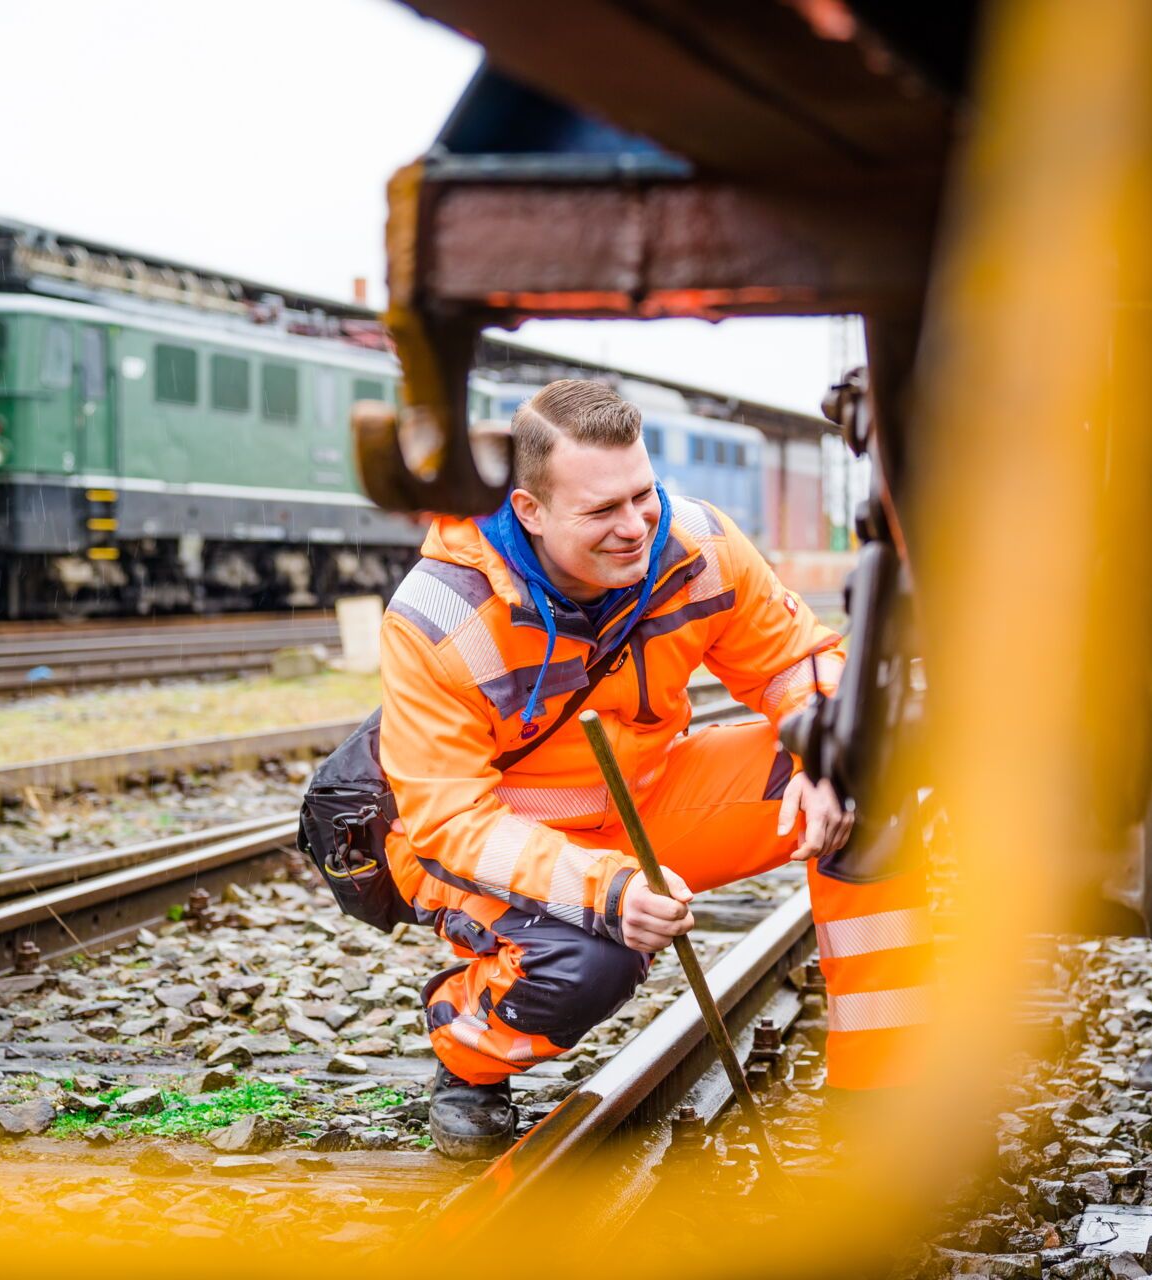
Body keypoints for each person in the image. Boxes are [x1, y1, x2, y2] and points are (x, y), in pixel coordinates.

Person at [378, 379, 934, 1158]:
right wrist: (605, 892)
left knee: (871, 764)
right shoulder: (441, 615)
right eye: (602, 510)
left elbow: (796, 662)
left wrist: (825, 754)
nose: (635, 525)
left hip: (642, 808)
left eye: (643, 495)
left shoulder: (698, 549)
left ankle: (880, 1092)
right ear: (529, 510)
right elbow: (451, 821)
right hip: (491, 844)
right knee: (592, 960)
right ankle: (468, 1054)